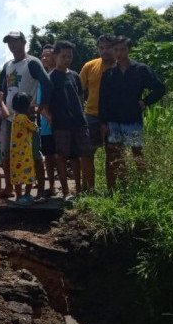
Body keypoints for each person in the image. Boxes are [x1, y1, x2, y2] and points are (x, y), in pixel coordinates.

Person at [99, 36, 165, 191]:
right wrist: (103, 123)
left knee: (137, 154)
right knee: (114, 156)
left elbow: (160, 88)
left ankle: (143, 189)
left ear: (129, 49)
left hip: (132, 119)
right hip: (113, 121)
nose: (119, 53)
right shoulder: (108, 74)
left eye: (122, 49)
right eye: (116, 50)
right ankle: (116, 189)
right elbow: (103, 100)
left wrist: (145, 101)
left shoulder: (140, 70)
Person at [0, 31, 52, 200]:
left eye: (15, 41)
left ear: (23, 42)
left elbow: (47, 83)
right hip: (9, 118)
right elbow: (2, 89)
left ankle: (41, 190)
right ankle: (9, 188)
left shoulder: (32, 63)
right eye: (9, 42)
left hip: (28, 117)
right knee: (7, 154)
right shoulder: (7, 65)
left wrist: (40, 107)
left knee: (34, 153)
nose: (12, 45)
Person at [47, 41, 93, 202]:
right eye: (63, 56)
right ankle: (66, 191)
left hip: (79, 122)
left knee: (81, 156)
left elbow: (80, 98)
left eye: (69, 56)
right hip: (61, 124)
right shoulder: (50, 78)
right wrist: (51, 119)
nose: (67, 59)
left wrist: (81, 113)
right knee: (61, 157)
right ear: (55, 56)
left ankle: (82, 188)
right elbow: (44, 104)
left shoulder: (74, 75)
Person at [79, 34, 116, 191]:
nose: (105, 51)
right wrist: (79, 112)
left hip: (115, 118)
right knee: (87, 153)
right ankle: (89, 189)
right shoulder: (90, 66)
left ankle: (112, 190)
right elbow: (79, 90)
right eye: (101, 48)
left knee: (113, 154)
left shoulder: (121, 67)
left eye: (108, 47)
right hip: (92, 115)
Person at [9, 92, 37, 205]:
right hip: (25, 152)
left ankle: (19, 196)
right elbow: (33, 127)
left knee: (17, 174)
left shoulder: (15, 117)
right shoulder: (24, 118)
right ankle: (27, 195)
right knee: (29, 173)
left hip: (15, 152)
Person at [38, 45, 57, 199]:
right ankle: (51, 187)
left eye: (48, 55)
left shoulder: (62, 75)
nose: (45, 58)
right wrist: (50, 119)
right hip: (46, 126)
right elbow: (39, 105)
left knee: (64, 157)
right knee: (49, 158)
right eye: (43, 56)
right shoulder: (41, 79)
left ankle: (67, 188)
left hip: (63, 124)